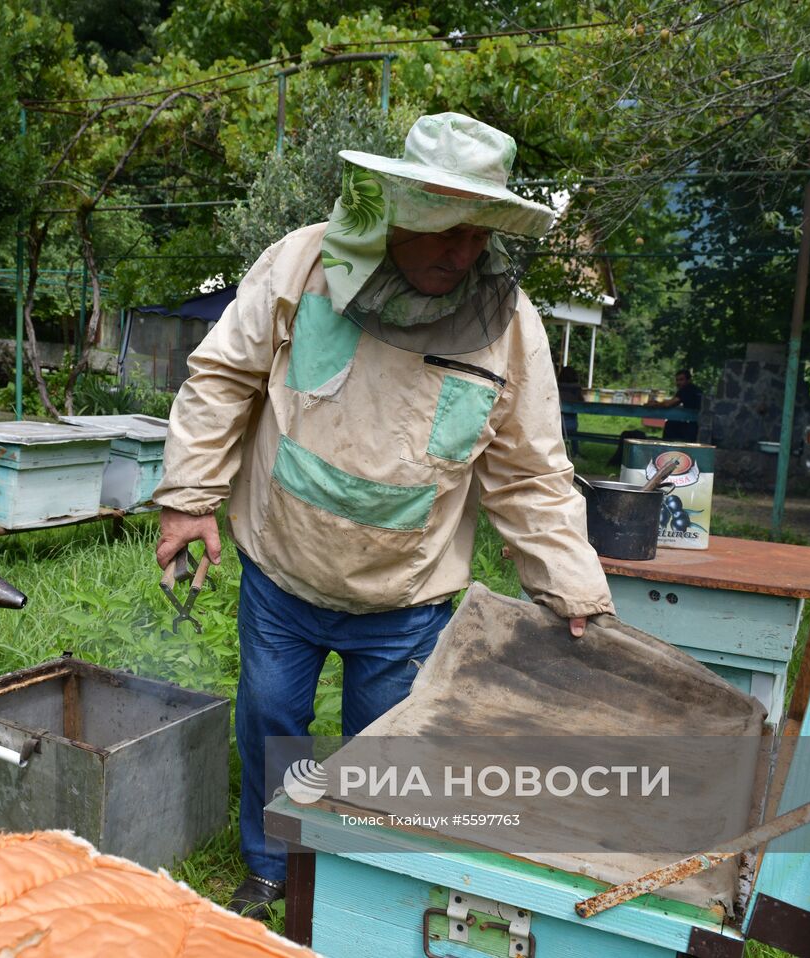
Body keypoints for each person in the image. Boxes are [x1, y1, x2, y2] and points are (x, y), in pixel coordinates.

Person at [153, 113, 613, 916]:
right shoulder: (302, 262)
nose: (461, 249)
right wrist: (190, 500)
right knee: (273, 723)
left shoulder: (509, 324)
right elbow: (223, 377)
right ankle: (270, 865)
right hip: (282, 567)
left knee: (387, 754)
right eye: (443, 222)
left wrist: (573, 590)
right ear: (396, 203)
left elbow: (532, 472)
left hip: (407, 597)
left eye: (479, 230)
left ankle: (352, 890)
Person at [646, 368, 703, 442]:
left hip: (693, 424)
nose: (678, 382)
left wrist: (655, 404)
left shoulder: (686, 389)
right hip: (698, 423)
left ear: (688, 380)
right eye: (677, 380)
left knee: (670, 424)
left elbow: (670, 404)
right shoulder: (695, 389)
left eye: (681, 380)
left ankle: (666, 445)